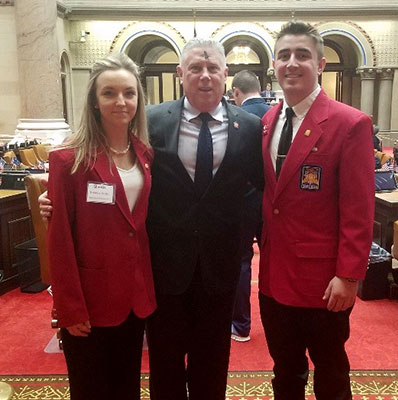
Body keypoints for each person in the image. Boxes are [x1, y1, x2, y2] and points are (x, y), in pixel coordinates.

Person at [40, 39, 264, 400]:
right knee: (165, 371)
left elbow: (264, 190)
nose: (204, 76)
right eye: (194, 68)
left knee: (212, 371)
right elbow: (99, 165)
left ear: (226, 74)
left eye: (212, 69)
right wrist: (54, 198)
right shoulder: (152, 123)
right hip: (163, 273)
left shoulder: (252, 128)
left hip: (220, 272)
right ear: (180, 74)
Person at [259, 20, 374, 400]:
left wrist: (348, 274)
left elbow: (358, 208)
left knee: (331, 371)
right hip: (274, 278)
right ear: (274, 64)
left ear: (321, 64)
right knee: (285, 371)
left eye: (302, 55)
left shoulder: (349, 123)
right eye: (284, 55)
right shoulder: (268, 121)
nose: (292, 63)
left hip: (324, 282)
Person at [46, 53, 156, 400]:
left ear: (139, 99)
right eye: (109, 93)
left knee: (126, 387)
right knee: (90, 389)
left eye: (129, 93)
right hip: (89, 301)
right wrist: (69, 308)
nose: (120, 101)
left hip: (133, 297)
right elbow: (60, 240)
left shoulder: (145, 154)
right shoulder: (68, 159)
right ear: (94, 100)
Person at [230, 70, 270, 341]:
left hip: (242, 201)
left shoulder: (234, 119)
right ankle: (279, 324)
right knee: (274, 258)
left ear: (235, 93)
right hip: (272, 201)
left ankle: (241, 325)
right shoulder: (279, 115)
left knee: (242, 259)